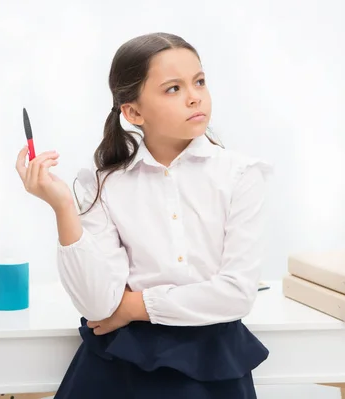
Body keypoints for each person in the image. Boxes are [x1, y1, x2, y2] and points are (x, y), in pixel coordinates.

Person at [15, 32, 271, 399]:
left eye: (199, 81)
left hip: (211, 361)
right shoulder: (103, 183)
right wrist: (63, 207)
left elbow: (235, 294)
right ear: (133, 112)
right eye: (173, 88)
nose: (195, 95)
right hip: (118, 365)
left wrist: (134, 305)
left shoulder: (242, 175)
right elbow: (98, 305)